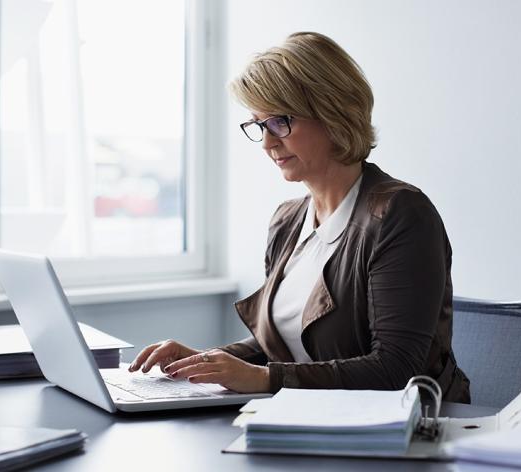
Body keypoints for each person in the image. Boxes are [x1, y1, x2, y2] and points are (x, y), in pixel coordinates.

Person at [129, 32, 470, 402]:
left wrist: (263, 379)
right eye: (259, 125)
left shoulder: (401, 214)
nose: (267, 142)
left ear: (332, 112)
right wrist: (204, 361)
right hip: (313, 419)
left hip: (395, 435)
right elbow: (280, 347)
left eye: (280, 122)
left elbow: (395, 369)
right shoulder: (288, 221)